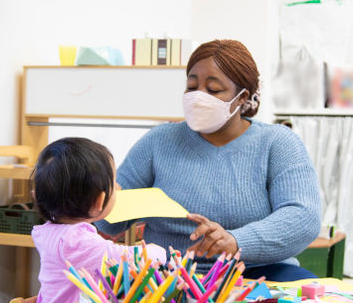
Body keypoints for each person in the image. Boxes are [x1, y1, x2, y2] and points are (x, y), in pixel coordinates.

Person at [96, 39, 321, 281]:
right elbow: (108, 223)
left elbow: (303, 218)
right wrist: (99, 197)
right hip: (171, 276)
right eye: (191, 87)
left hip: (257, 272)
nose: (198, 97)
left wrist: (236, 241)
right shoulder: (158, 141)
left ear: (242, 97)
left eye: (213, 90)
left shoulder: (278, 143)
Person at [31, 137, 166, 303]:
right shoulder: (75, 240)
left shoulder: (49, 231)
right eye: (114, 182)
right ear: (99, 201)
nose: (118, 187)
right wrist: (157, 252)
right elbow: (125, 259)